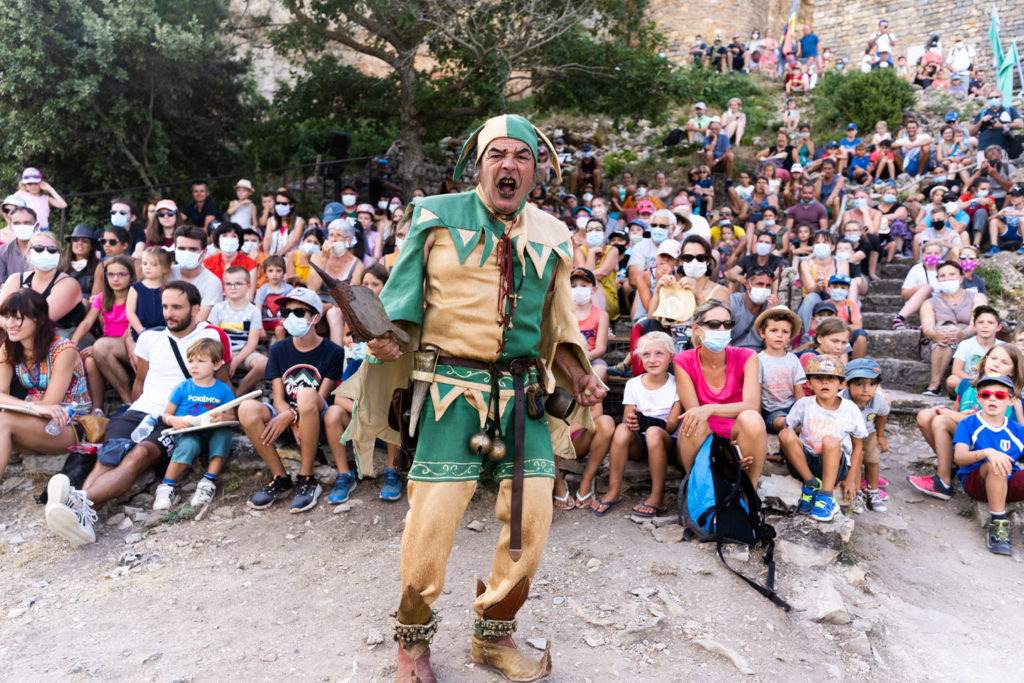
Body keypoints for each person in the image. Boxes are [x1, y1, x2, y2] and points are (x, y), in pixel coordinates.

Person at [346, 114, 603, 681]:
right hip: (450, 395)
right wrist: (388, 340)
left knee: (530, 518)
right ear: (478, 163)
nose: (509, 165)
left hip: (523, 395)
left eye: (522, 156)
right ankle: (412, 644)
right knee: (433, 518)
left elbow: (555, 327)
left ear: (535, 169)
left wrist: (577, 375)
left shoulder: (553, 235)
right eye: (498, 155)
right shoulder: (436, 216)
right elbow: (403, 304)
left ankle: (493, 635)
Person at [43, 281, 227, 546]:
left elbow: (222, 385)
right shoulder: (151, 337)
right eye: (165, 306)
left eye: (177, 307)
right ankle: (81, 511)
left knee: (139, 454)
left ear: (196, 309)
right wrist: (131, 408)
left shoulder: (210, 339)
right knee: (109, 454)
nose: (169, 313)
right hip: (140, 410)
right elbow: (140, 381)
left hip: (176, 417)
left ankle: (77, 505)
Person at [237, 287, 351, 512]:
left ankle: (306, 478)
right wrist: (290, 418)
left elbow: (321, 396)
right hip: (288, 420)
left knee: (307, 394)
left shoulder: (333, 352)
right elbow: (278, 397)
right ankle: (280, 477)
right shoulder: (279, 349)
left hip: (316, 418)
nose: (290, 318)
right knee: (247, 408)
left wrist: (293, 414)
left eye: (299, 312)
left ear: (316, 317)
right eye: (285, 313)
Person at [912, 344, 1024, 502]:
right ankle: (948, 469)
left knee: (942, 419)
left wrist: (949, 413)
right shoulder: (966, 385)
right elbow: (959, 414)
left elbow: (985, 422)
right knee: (926, 416)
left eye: (1004, 362)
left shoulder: (1007, 397)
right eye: (993, 358)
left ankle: (944, 479)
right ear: (984, 361)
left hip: (990, 445)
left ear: (1012, 372)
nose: (996, 364)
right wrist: (957, 414)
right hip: (966, 440)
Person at [674, 300, 767, 489]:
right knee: (693, 423)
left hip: (737, 432)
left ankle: (749, 494)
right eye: (714, 324)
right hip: (703, 435)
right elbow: (694, 412)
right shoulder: (683, 360)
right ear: (697, 329)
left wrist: (710, 408)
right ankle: (698, 494)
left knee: (752, 419)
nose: (722, 329)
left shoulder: (747, 356)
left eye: (728, 324)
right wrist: (723, 450)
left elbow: (752, 405)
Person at [0, 290, 91, 482]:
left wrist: (29, 407)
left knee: (3, 421)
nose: (10, 324)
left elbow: (51, 404)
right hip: (32, 419)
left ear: (39, 320)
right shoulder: (9, 347)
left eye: (17, 318)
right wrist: (30, 406)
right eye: (6, 317)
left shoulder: (62, 350)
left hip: (69, 425)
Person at [596, 332, 681, 517]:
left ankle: (657, 497)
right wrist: (635, 421)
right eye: (646, 354)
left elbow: (672, 425)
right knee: (622, 428)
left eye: (659, 353)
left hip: (665, 443)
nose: (652, 359)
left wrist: (650, 422)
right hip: (639, 445)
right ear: (640, 358)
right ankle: (614, 490)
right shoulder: (633, 384)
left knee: (653, 432)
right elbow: (629, 419)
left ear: (671, 357)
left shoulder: (677, 384)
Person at [779, 354, 867, 522]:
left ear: (842, 384)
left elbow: (858, 447)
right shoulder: (804, 404)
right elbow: (787, 429)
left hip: (835, 465)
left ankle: (826, 496)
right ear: (809, 383)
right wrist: (783, 453)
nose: (824, 383)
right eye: (818, 378)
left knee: (830, 440)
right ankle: (811, 484)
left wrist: (851, 479)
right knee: (786, 433)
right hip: (806, 464)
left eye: (831, 379)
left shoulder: (849, 409)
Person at [152, 338, 237, 510]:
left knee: (223, 436)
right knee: (189, 445)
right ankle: (166, 486)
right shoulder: (182, 387)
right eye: (190, 361)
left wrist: (223, 418)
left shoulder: (223, 389)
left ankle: (208, 482)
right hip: (188, 431)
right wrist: (174, 420)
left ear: (216, 364)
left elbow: (232, 416)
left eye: (200, 361)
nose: (194, 366)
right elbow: (166, 414)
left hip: (212, 430)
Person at [952, 374, 1024, 556]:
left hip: (1008, 484)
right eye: (986, 394)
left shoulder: (1017, 430)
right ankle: (998, 524)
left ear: (1011, 401)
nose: (992, 398)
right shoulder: (968, 423)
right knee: (995, 465)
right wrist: (987, 453)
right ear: (978, 398)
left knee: (1002, 467)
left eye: (999, 395)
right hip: (978, 482)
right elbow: (959, 457)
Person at [71, 255, 133, 409]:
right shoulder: (102, 297)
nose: (115, 279)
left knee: (99, 347)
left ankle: (128, 402)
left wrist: (100, 347)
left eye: (122, 274)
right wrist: (71, 344)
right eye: (111, 274)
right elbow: (86, 322)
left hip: (128, 343)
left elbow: (131, 326)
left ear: (131, 276)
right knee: (90, 361)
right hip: (106, 345)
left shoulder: (135, 294)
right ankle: (97, 409)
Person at [917, 262, 989, 397]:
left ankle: (958, 388)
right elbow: (927, 328)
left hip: (969, 341)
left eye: (951, 274)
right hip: (938, 344)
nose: (946, 278)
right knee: (945, 332)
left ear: (961, 278)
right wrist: (935, 334)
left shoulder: (977, 297)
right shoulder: (929, 303)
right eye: (942, 276)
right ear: (937, 280)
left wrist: (964, 333)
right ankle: (934, 385)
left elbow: (979, 322)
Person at [0, 231, 86, 340]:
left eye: (52, 250)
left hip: (61, 339)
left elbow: (39, 320)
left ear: (59, 255)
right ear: (28, 253)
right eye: (39, 248)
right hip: (19, 335)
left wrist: (9, 320)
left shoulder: (69, 284)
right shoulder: (15, 279)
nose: (45, 253)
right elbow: (1, 314)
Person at [839, 358, 890, 513]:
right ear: (846, 384)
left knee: (872, 460)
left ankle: (872, 491)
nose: (866, 389)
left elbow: (882, 415)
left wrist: (880, 436)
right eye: (859, 384)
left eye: (872, 384)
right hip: (847, 434)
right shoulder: (841, 400)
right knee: (856, 459)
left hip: (868, 432)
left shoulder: (879, 401)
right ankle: (857, 493)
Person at [208, 266, 266, 395]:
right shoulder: (218, 308)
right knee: (215, 365)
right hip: (222, 353)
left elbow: (252, 343)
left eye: (238, 284)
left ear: (249, 286)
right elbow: (214, 338)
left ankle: (239, 394)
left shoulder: (253, 311)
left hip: (243, 353)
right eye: (228, 284)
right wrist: (227, 360)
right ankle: (227, 398)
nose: (233, 287)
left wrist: (235, 361)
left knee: (263, 363)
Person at [755, 305, 805, 435]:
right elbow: (757, 393)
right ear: (762, 333)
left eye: (785, 332)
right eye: (774, 330)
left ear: (790, 337)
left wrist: (804, 413)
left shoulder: (793, 360)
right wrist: (758, 423)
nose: (779, 335)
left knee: (803, 419)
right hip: (772, 412)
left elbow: (799, 392)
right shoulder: (758, 360)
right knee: (780, 422)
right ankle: (802, 429)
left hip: (792, 408)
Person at [947, 304, 1002, 395]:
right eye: (981, 322)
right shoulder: (966, 344)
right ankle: (962, 400)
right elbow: (956, 370)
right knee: (952, 380)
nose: (985, 326)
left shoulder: (1003, 346)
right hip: (971, 382)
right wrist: (976, 381)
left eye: (990, 323)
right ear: (974, 325)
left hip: (995, 383)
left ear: (998, 327)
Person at [169, 226, 223, 320]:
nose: (187, 253)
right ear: (175, 249)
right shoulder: (166, 274)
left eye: (193, 249)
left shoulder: (212, 282)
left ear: (204, 252)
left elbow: (200, 320)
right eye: (181, 248)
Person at [729, 267, 778, 349]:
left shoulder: (772, 306)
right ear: (747, 284)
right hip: (734, 353)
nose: (764, 289)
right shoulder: (733, 302)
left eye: (768, 285)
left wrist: (774, 315)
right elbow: (719, 332)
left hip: (761, 354)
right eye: (760, 284)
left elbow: (774, 345)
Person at [254, 255, 294, 343]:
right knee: (253, 327)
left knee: (280, 329)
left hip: (280, 321)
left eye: (278, 271)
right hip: (265, 321)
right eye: (270, 271)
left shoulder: (289, 289)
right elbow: (257, 310)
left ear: (283, 273)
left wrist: (285, 320)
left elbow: (291, 308)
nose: (274, 274)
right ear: (266, 273)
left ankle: (280, 349)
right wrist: (260, 327)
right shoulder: (262, 289)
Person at [61, 224, 101, 303]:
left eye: (85, 240)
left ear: (91, 246)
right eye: (75, 239)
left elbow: (96, 298)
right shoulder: (61, 265)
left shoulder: (99, 266)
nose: (79, 243)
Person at [263, 190, 305, 256]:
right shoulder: (271, 220)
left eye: (284, 203)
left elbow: (293, 241)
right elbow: (267, 238)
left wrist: (277, 255)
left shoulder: (299, 222)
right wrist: (266, 252)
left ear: (292, 205)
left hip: (291, 260)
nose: (280, 205)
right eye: (278, 203)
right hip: (271, 259)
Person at [0, 205, 35, 283]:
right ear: (11, 226)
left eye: (26, 223)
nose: (22, 226)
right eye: (16, 223)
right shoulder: (2, 251)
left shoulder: (48, 250)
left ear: (36, 225)